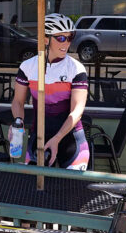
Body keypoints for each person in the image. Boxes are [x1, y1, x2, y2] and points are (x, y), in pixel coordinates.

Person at [10, 13, 90, 170]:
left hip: (70, 139)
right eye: (60, 38)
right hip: (38, 136)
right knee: (32, 191)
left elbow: (77, 110)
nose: (66, 43)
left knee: (72, 191)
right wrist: (18, 121)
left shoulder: (76, 68)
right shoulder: (28, 67)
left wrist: (57, 138)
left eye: (70, 37)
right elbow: (18, 101)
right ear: (45, 39)